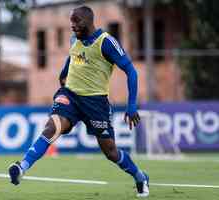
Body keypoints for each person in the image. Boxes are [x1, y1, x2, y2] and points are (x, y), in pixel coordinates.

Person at [8, 5, 149, 197]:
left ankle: (140, 177)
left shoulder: (106, 42)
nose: (72, 26)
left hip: (95, 103)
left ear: (89, 22)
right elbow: (73, 56)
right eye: (71, 22)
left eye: (76, 21)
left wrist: (132, 106)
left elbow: (131, 71)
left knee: (111, 152)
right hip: (70, 96)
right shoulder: (75, 39)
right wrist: (64, 72)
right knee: (52, 128)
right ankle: (21, 167)